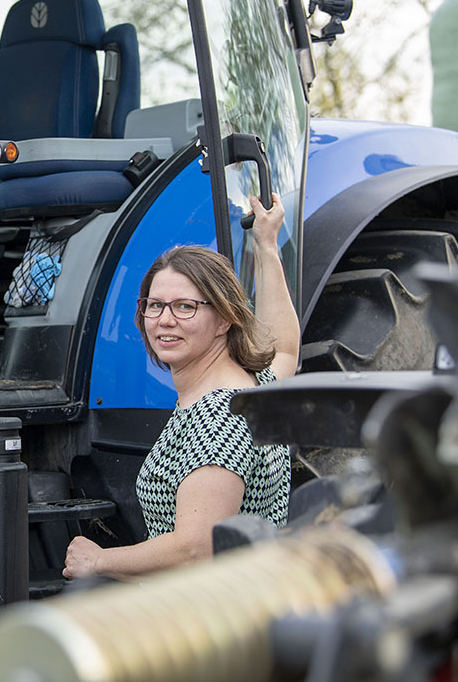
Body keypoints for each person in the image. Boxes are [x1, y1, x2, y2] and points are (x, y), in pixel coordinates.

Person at [63, 193, 299, 580]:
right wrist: (266, 245)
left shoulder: (220, 417)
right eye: (154, 306)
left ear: (224, 319)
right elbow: (285, 348)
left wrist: (99, 561)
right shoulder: (255, 382)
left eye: (185, 307)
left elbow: (196, 550)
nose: (164, 320)